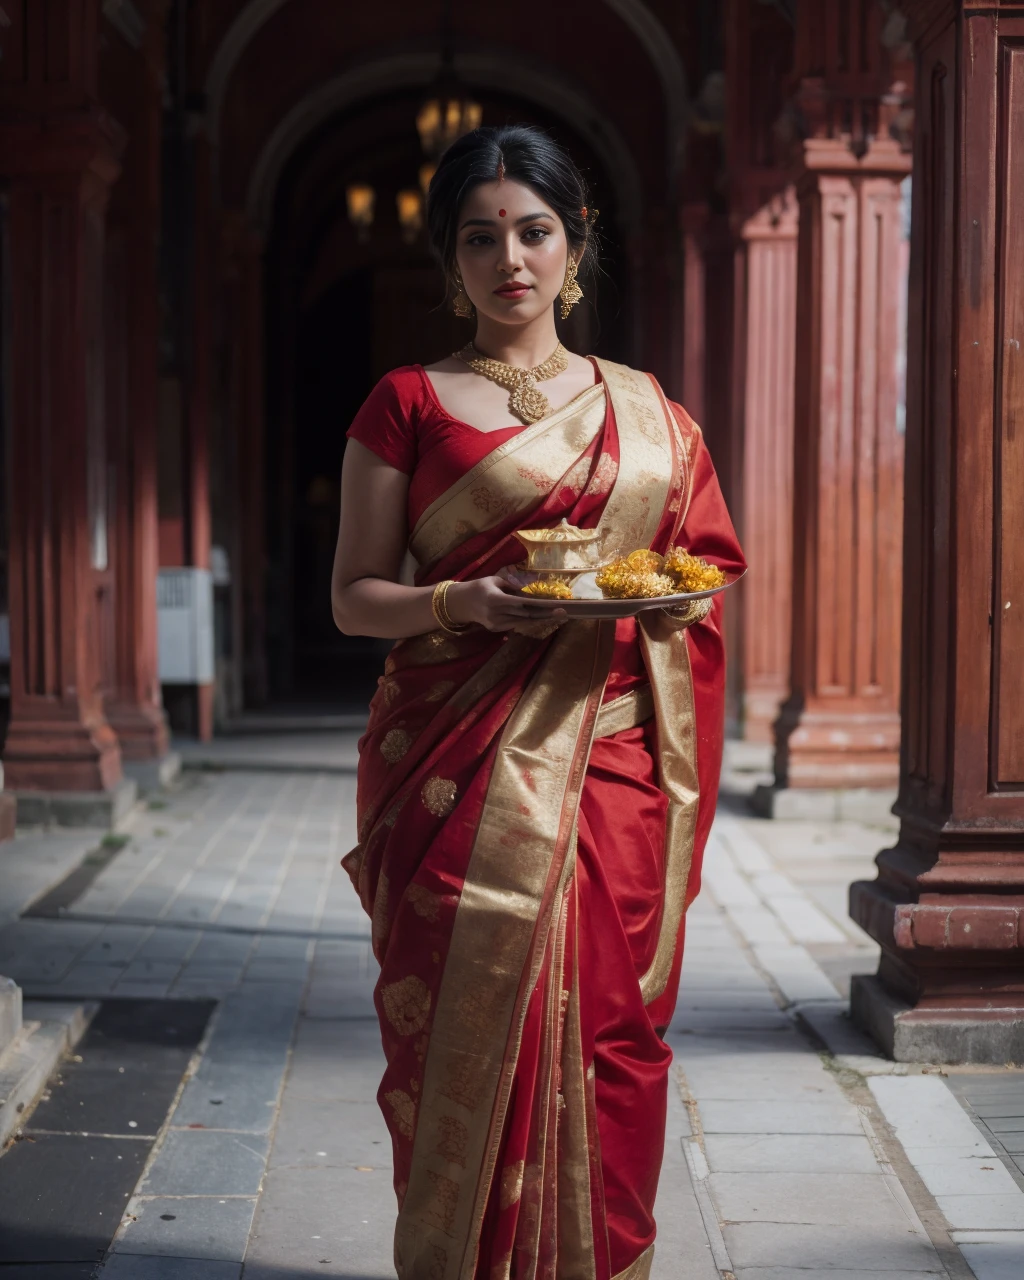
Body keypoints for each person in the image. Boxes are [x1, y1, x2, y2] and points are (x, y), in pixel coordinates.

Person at [332, 124, 744, 1280]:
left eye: (532, 231)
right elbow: (357, 600)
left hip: (610, 759)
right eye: (479, 236)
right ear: (447, 258)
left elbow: (701, 570)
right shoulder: (406, 401)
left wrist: (668, 605)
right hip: (453, 764)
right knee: (455, 1032)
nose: (508, 257)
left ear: (576, 244)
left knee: (613, 1030)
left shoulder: (649, 411)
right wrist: (465, 601)